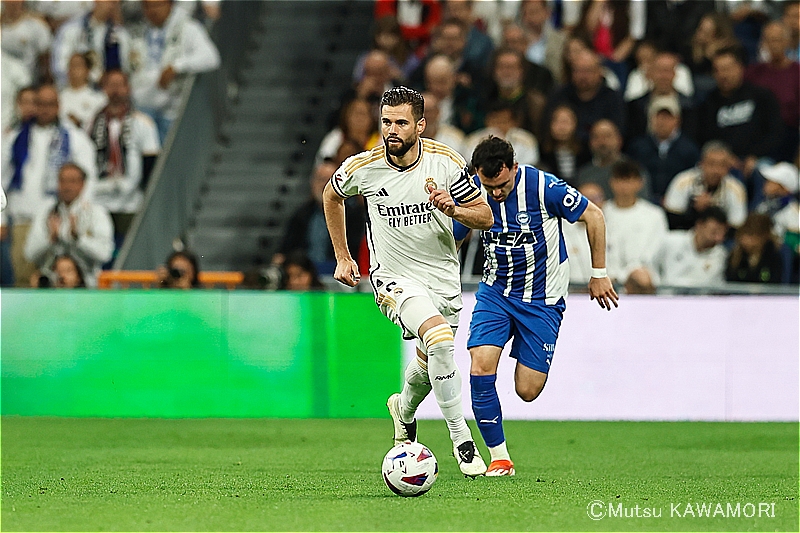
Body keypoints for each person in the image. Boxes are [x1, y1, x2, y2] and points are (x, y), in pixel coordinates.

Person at [323, 86, 493, 477]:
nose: (391, 130)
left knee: (429, 362)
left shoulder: (446, 162)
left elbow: (483, 215)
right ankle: (461, 441)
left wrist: (453, 208)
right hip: (394, 279)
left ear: (420, 124)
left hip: (442, 279)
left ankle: (403, 408)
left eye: (401, 122)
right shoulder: (363, 166)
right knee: (440, 340)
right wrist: (344, 256)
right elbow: (331, 196)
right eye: (386, 122)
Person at [453, 135, 618, 477]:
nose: (496, 193)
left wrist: (598, 273)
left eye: (501, 184)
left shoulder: (544, 187)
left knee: (527, 390)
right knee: (481, 365)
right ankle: (500, 458)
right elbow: (458, 233)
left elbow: (595, 215)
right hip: (495, 292)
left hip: (542, 300)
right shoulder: (472, 189)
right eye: (489, 186)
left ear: (514, 167)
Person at [2, 84, 98, 286]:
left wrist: (80, 214)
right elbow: (1, 177)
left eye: (50, 104)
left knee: (62, 279)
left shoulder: (74, 138)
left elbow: (87, 177)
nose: (45, 109)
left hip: (59, 218)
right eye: (40, 104)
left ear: (58, 105)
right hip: (22, 217)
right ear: (33, 105)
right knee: (23, 280)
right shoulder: (14, 138)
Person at [130, 0, 220, 142]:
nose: (153, 10)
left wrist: (177, 66)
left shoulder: (188, 28)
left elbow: (211, 57)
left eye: (157, 5)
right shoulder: (137, 34)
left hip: (174, 114)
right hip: (142, 111)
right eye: (147, 6)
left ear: (170, 5)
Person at [88, 69, 161, 242]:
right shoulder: (91, 123)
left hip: (131, 203)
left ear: (128, 88)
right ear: (104, 88)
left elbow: (151, 165)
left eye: (119, 85)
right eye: (110, 85)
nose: (115, 90)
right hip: (100, 200)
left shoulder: (142, 123)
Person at [23, 162, 113, 288]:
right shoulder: (46, 212)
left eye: (72, 181)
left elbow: (105, 254)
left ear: (82, 184)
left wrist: (78, 238)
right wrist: (50, 240)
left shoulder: (97, 213)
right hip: (51, 283)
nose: (67, 186)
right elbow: (29, 254)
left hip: (87, 283)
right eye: (62, 181)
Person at [603, 158, 668, 290]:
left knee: (642, 278)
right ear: (612, 183)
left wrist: (628, 274)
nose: (624, 186)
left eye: (629, 180)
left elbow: (655, 251)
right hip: (607, 280)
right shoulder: (602, 212)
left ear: (639, 183)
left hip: (644, 280)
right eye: (620, 180)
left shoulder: (654, 215)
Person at [626, 96, 700, 203]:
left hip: (678, 205)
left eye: (668, 117)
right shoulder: (637, 147)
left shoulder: (689, 149)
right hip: (643, 203)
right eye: (659, 116)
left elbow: (693, 179)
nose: (662, 122)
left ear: (677, 120)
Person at [663, 140, 747, 230]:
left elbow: (736, 227)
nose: (716, 170)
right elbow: (671, 221)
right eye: (711, 164)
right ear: (701, 164)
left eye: (722, 165)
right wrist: (695, 210)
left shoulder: (736, 188)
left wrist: (712, 210)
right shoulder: (683, 181)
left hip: (721, 240)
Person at [51, 0, 131, 88]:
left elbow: (126, 69)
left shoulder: (121, 34)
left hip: (110, 92)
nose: (112, 5)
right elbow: (60, 68)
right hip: (76, 90)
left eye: (115, 3)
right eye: (109, 1)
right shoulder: (70, 30)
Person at [649, 206, 729, 288]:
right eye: (714, 232)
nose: (718, 238)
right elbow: (650, 264)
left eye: (722, 234)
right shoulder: (671, 241)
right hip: (666, 297)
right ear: (699, 225)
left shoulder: (720, 255)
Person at [537, 104, 590, 185]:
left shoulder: (585, 149)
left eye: (565, 122)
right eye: (557, 121)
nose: (561, 127)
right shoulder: (542, 150)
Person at [725, 213, 782, 284]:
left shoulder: (773, 257)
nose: (744, 239)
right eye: (744, 234)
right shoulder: (736, 257)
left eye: (751, 235)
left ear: (763, 236)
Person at [58, 53, 107, 130]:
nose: (74, 70)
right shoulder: (60, 97)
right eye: (71, 66)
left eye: (77, 66)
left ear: (87, 70)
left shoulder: (98, 97)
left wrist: (80, 123)